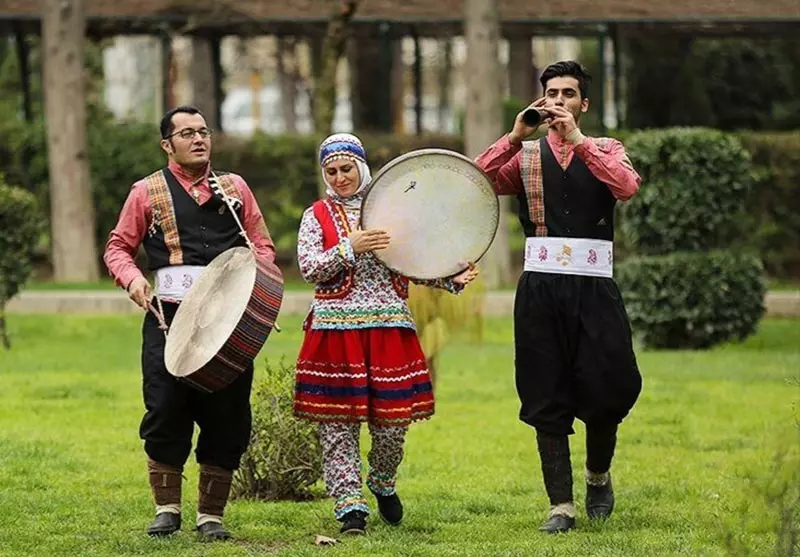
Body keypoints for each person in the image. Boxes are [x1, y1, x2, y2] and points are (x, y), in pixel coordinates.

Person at [474, 61, 643, 533]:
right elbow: (476, 178)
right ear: (541, 100)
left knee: (608, 385)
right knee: (544, 389)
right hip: (540, 288)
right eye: (552, 94)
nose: (559, 102)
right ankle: (560, 506)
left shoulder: (606, 149)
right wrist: (513, 136)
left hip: (594, 286)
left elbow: (626, 187)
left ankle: (598, 475)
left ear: (583, 104)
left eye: (569, 94)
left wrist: (579, 142)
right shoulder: (525, 156)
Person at [103, 105, 280, 541]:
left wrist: (256, 279)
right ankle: (167, 509)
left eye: (203, 131)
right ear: (167, 145)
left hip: (229, 320)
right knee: (165, 408)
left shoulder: (235, 188)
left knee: (228, 415)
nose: (199, 139)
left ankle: (211, 517)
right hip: (169, 318)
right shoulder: (145, 192)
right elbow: (117, 248)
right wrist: (134, 282)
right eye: (186, 134)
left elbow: (260, 242)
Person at [293, 133, 479, 535]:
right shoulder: (316, 216)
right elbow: (308, 267)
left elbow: (415, 261)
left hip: (389, 328)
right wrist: (350, 246)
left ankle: (382, 480)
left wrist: (451, 277)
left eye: (347, 169)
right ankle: (350, 509)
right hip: (335, 333)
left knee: (393, 425)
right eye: (332, 171)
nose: (340, 177)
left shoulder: (393, 212)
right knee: (338, 425)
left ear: (361, 167)